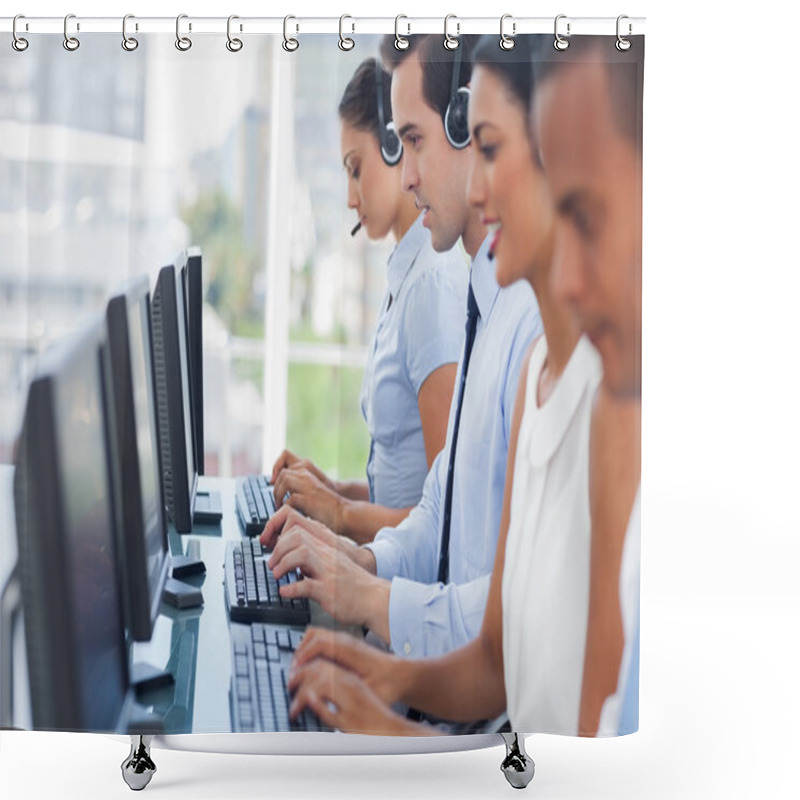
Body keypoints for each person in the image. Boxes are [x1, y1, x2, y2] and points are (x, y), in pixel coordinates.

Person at [285, 34, 643, 737]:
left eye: (488, 148)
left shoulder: (561, 361)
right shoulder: (516, 346)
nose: (475, 190)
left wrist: (372, 605)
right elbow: (447, 520)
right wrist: (363, 586)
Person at [261, 34, 542, 660]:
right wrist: (354, 562)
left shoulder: (517, 321)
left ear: (470, 128)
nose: (406, 172)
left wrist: (357, 575)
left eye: (412, 140)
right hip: (430, 656)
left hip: (460, 692)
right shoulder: (478, 300)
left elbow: (511, 617)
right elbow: (438, 511)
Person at [270, 58, 468, 545]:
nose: (350, 197)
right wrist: (330, 490)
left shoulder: (431, 287)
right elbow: (403, 486)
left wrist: (338, 511)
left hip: (404, 598)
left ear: (394, 144)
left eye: (355, 170)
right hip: (384, 579)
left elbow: (444, 515)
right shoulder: (406, 278)